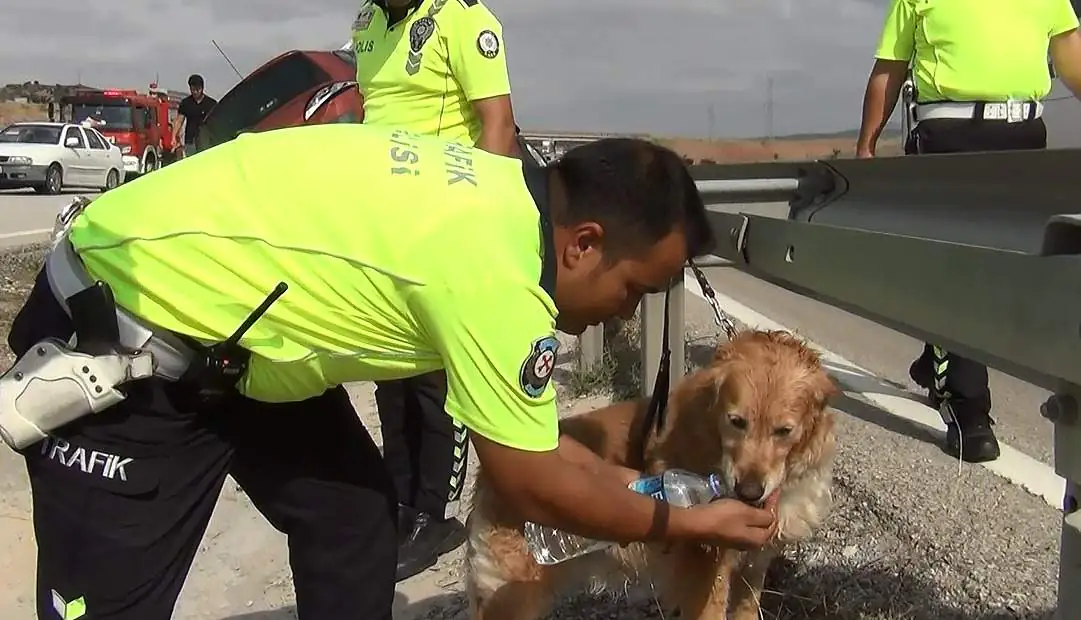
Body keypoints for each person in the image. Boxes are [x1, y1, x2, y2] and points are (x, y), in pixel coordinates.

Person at [7, 123, 779, 620]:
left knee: (349, 521)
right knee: (100, 609)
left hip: (246, 347)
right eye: (633, 291)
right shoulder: (497, 275)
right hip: (131, 336)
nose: (620, 315)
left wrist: (654, 491)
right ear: (581, 243)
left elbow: (544, 448)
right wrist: (685, 523)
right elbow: (530, 481)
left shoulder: (508, 204)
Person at [856, 0, 1081, 463]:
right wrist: (866, 147)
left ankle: (936, 359)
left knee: (992, 270)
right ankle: (969, 410)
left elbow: (1072, 57)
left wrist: (867, 146)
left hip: (1022, 135)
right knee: (959, 270)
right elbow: (891, 70)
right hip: (949, 136)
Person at [350, 0, 521, 579]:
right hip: (384, 226)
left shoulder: (464, 18)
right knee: (390, 373)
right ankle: (399, 501)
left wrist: (477, 223)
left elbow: (497, 124)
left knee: (434, 380)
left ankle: (436, 513)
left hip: (444, 224)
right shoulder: (367, 23)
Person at [172, 74, 217, 158]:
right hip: (190, 140)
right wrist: (174, 136)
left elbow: (216, 122)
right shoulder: (186, 103)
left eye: (197, 89)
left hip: (206, 141)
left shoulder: (211, 103)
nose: (195, 92)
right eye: (192, 89)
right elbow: (179, 120)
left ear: (202, 88)